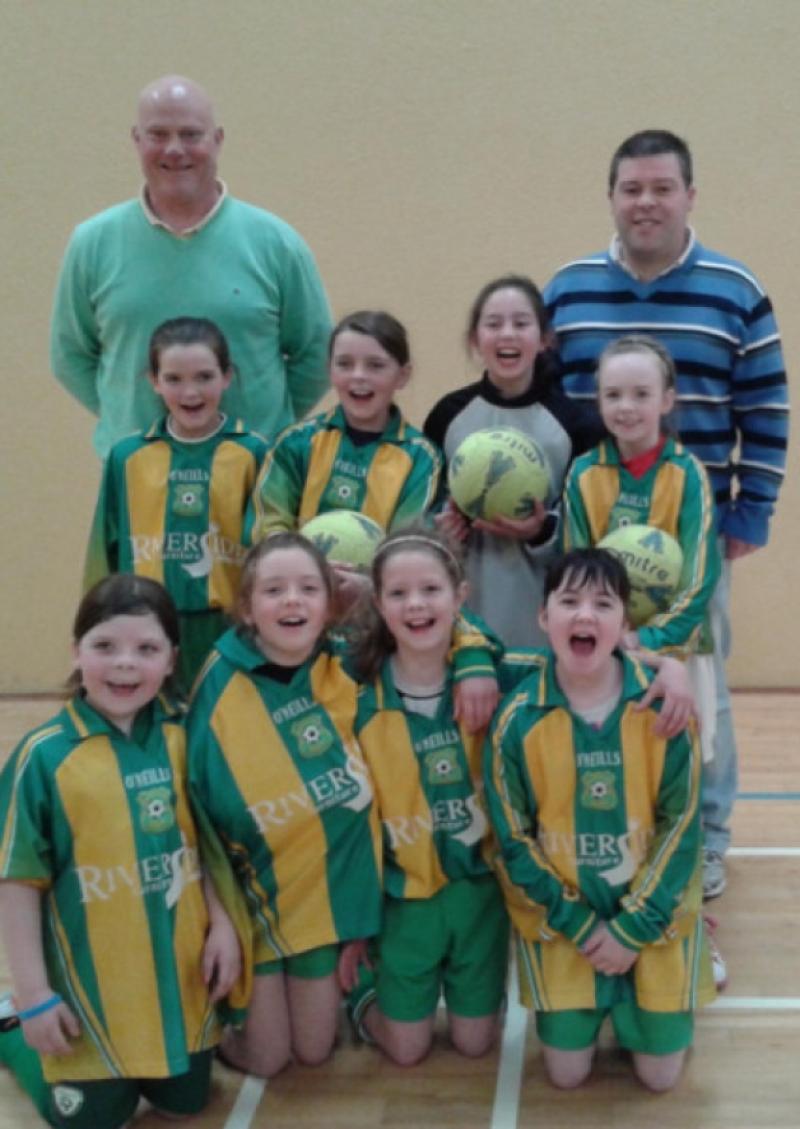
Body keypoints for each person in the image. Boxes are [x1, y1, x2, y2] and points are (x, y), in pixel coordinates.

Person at [543, 129, 790, 898]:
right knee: (602, 682)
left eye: (661, 188)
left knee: (699, 687)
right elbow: (550, 406)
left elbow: (767, 406)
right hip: (593, 542)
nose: (645, 202)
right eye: (631, 188)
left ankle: (708, 834)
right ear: (611, 197)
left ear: (689, 195)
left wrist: (750, 512)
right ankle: (631, 821)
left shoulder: (736, 289)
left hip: (694, 537)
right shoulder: (568, 289)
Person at [0, 575, 242, 1129]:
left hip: (178, 982)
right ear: (76, 651)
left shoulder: (185, 736)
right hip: (91, 990)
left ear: (172, 659)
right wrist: (34, 995)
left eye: (146, 649)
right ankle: (10, 1026)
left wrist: (224, 924)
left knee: (186, 1104)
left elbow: (207, 847)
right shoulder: (43, 757)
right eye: (105, 646)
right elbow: (16, 881)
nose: (125, 663)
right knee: (92, 1122)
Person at [483, 549, 716, 1093]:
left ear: (624, 625)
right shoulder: (517, 720)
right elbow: (513, 843)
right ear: (543, 618)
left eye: (603, 604)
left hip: (651, 919)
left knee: (659, 1078)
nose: (585, 614)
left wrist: (632, 929)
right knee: (566, 1075)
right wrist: (585, 928)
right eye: (569, 601)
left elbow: (682, 826)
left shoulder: (665, 709)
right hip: (570, 923)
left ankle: (666, 992)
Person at [186, 533, 384, 1078]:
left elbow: (441, 620)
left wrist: (372, 590)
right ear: (247, 608)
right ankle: (204, 1013)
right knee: (268, 1059)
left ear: (330, 603)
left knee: (315, 1051)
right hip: (250, 906)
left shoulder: (343, 664)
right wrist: (218, 919)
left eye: (308, 589)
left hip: (318, 907)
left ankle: (352, 977)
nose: (292, 600)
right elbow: (192, 824)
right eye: (274, 590)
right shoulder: (217, 686)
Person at [51, 75, 331, 458]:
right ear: (136, 140)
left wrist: (265, 427)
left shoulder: (276, 243)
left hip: (256, 478)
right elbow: (70, 356)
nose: (174, 149)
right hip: (136, 476)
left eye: (190, 134)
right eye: (158, 134)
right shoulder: (92, 243)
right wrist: (125, 418)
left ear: (217, 140)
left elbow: (317, 354)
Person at [339, 528, 509, 1065]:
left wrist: (667, 667)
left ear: (460, 597)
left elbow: (578, 673)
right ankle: (365, 994)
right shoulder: (353, 687)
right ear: (378, 603)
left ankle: (473, 988)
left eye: (431, 590)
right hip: (402, 898)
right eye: (398, 593)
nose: (415, 604)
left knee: (475, 1045)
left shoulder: (495, 675)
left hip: (478, 894)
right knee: (407, 1052)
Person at [84, 316, 268, 692]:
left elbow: (267, 548)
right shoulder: (127, 456)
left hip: (228, 627)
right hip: (146, 628)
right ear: (154, 380)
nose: (190, 392)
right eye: (174, 379)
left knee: (221, 721)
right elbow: (104, 548)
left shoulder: (253, 452)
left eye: (204, 377)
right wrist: (97, 625)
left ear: (227, 377)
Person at [424, 275, 600, 649]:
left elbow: (589, 529)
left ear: (544, 339)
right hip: (463, 615)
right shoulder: (447, 416)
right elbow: (422, 511)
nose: (507, 334)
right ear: (475, 339)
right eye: (493, 324)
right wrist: (440, 529)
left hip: (541, 616)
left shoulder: (575, 424)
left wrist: (542, 531)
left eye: (521, 323)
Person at [562, 334, 720, 660]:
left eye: (642, 394)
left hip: (674, 649)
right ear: (599, 401)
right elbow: (573, 567)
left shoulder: (688, 474)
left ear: (666, 400)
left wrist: (651, 637)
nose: (626, 407)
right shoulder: (583, 473)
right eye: (613, 395)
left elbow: (699, 579)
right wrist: (606, 630)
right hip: (605, 646)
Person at [250, 310, 443, 539]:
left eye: (375, 365)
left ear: (402, 375)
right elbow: (268, 525)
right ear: (329, 370)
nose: (358, 375)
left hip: (381, 564)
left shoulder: (422, 458)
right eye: (344, 364)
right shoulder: (295, 443)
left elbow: (408, 542)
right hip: (297, 564)